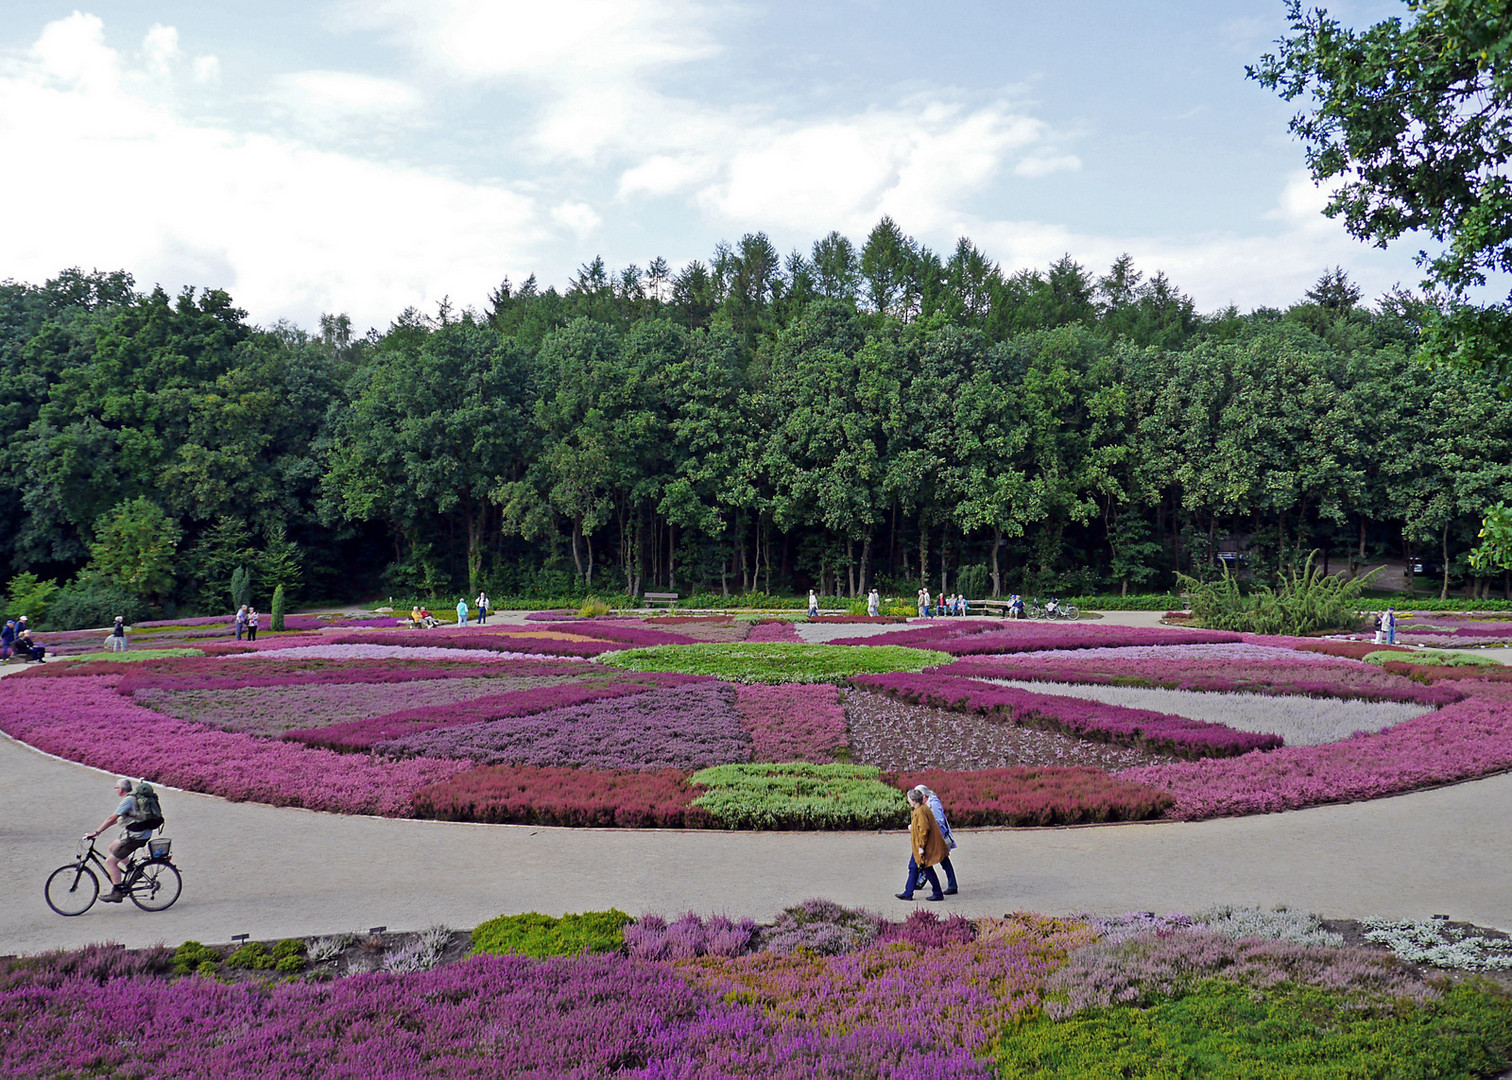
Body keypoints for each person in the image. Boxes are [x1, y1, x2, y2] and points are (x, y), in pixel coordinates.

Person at [86, 777, 158, 902]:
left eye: (116, 787)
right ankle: (134, 870)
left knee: (110, 862)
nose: (115, 790)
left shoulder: (128, 800)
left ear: (121, 789)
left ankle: (117, 892)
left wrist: (96, 832)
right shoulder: (133, 797)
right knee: (112, 847)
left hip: (137, 836)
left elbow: (111, 819)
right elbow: (118, 819)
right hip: (137, 833)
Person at [896, 788, 947, 901]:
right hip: (921, 846)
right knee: (914, 867)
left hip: (922, 846)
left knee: (927, 869)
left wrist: (921, 847)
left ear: (913, 800)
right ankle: (908, 892)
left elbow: (923, 830)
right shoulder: (922, 809)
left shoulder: (920, 811)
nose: (908, 801)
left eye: (909, 799)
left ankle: (937, 893)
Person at [912, 785, 959, 895]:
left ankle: (951, 885)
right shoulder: (927, 804)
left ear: (924, 795)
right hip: (935, 838)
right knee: (934, 860)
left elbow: (939, 822)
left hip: (939, 838)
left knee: (941, 860)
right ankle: (921, 882)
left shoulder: (933, 804)